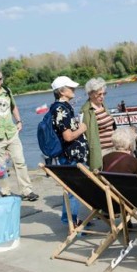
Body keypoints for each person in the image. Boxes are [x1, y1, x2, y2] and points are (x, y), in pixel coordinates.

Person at [0, 70, 38, 201]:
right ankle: (5, 192)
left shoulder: (7, 92)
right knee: (1, 167)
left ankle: (27, 191)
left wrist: (19, 121)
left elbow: (13, 107)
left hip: (11, 133)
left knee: (20, 162)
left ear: (2, 80)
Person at [50, 76, 88, 225]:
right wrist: (82, 128)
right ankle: (72, 221)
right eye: (70, 88)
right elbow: (67, 136)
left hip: (71, 154)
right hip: (70, 155)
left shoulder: (64, 107)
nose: (74, 90)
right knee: (74, 189)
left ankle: (71, 218)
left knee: (72, 189)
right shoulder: (61, 109)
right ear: (61, 91)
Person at [82, 78, 114, 166]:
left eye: (104, 94)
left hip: (113, 147)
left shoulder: (103, 106)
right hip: (102, 152)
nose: (102, 96)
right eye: (99, 94)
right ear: (90, 94)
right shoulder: (87, 111)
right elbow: (89, 136)